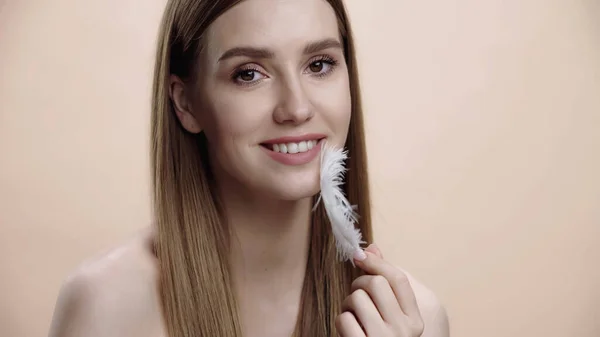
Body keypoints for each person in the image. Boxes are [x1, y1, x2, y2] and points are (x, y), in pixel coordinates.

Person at [48, 0, 450, 336]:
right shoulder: (106, 308)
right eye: (249, 73)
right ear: (185, 103)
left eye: (319, 64)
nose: (296, 108)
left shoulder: (417, 321)